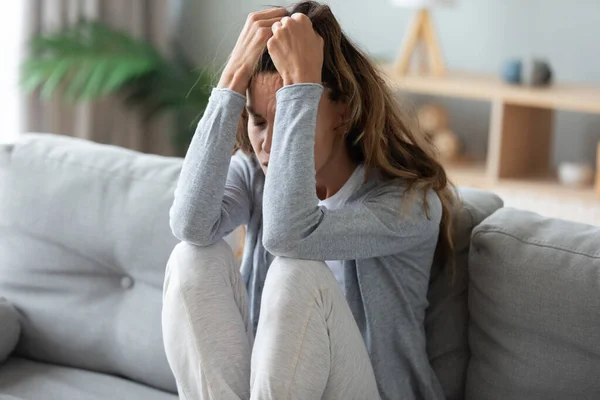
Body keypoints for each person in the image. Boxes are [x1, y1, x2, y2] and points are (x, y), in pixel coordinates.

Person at [162, 2, 456, 399]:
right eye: (258, 121)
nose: (266, 144)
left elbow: (290, 237)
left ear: (343, 113)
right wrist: (231, 80)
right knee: (190, 256)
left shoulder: (408, 204)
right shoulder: (253, 174)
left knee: (297, 272)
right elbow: (190, 223)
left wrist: (301, 87)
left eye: (285, 119)